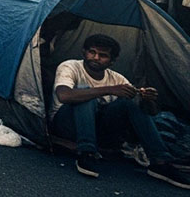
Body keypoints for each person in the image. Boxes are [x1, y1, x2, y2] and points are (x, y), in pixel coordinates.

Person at [50, 34, 190, 187]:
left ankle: (160, 161)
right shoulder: (70, 66)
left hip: (98, 131)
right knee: (85, 93)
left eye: (103, 55)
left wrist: (148, 100)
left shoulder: (117, 79)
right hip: (66, 125)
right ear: (84, 52)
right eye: (92, 52)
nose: (96, 58)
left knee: (128, 103)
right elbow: (64, 95)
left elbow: (150, 113)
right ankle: (86, 153)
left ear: (112, 61)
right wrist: (109, 90)